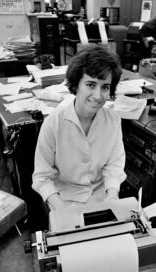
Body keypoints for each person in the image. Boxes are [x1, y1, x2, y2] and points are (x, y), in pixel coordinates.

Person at [32, 44, 127, 211]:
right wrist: (61, 209)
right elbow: (42, 177)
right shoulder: (53, 123)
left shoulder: (113, 120)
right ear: (76, 85)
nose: (98, 96)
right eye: (90, 85)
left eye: (105, 87)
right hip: (64, 198)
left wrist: (112, 196)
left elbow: (114, 166)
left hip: (101, 196)